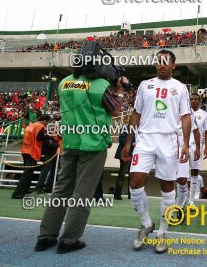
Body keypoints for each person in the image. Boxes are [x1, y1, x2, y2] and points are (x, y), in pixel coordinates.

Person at [35, 54, 129, 254]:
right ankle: (69, 241)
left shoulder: (65, 83)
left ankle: (45, 237)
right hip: (93, 144)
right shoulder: (101, 85)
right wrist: (120, 90)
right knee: (82, 194)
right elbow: (115, 111)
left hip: (70, 141)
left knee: (60, 191)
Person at [121, 49, 192, 254]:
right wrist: (128, 141)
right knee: (134, 181)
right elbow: (136, 113)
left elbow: (186, 117)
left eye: (166, 62)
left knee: (167, 186)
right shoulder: (145, 85)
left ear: (173, 66)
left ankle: (162, 231)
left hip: (169, 140)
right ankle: (146, 224)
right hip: (145, 139)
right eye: (159, 61)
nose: (162, 64)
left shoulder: (180, 88)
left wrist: (185, 144)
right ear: (155, 64)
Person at [177, 93, 207, 208]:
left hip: (196, 146)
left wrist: (205, 148)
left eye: (196, 99)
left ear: (199, 101)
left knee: (195, 172)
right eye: (191, 99)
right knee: (181, 174)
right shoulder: (182, 113)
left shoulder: (204, 114)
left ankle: (191, 200)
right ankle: (181, 197)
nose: (193, 101)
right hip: (182, 145)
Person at [12, 114, 50, 199]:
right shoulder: (40, 126)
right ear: (45, 121)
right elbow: (40, 138)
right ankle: (18, 193)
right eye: (47, 122)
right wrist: (47, 138)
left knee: (27, 172)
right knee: (28, 173)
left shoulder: (31, 125)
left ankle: (24, 189)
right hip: (32, 151)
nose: (47, 124)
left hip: (25, 150)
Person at [114, 128, 135, 200]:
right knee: (122, 175)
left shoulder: (140, 129)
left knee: (132, 176)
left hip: (134, 155)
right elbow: (121, 140)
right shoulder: (126, 128)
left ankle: (131, 195)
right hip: (125, 154)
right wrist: (132, 144)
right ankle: (117, 195)